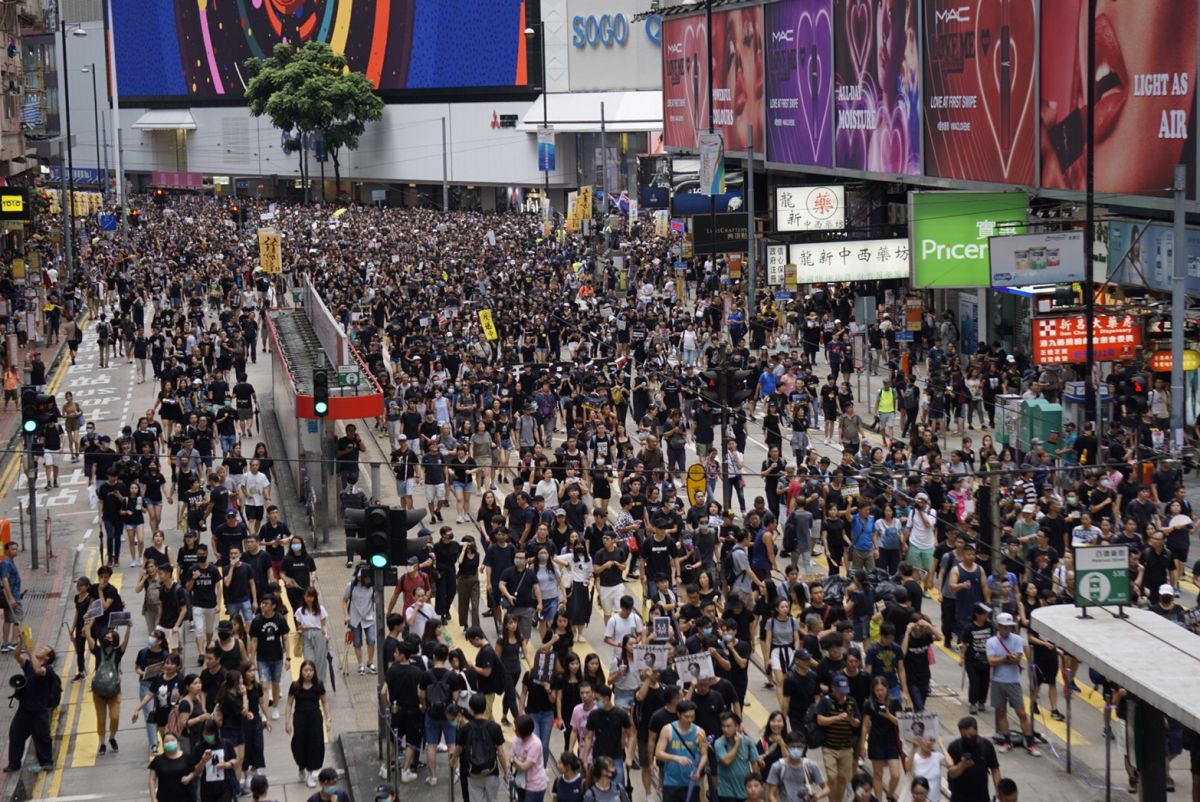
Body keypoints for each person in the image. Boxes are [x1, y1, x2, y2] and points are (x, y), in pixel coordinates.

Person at [985, 613, 1040, 755]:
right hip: (997, 681)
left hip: (1013, 682)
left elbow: (1017, 659)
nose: (1007, 630)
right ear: (999, 626)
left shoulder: (1017, 640)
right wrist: (1006, 658)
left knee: (1021, 713)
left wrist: (1002, 659)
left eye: (1009, 627)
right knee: (1001, 712)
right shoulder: (991, 641)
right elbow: (991, 661)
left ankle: (1030, 742)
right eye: (1004, 627)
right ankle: (1006, 740)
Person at [3, 640, 59, 773]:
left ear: (47, 657)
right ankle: (14, 763)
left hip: (39, 711)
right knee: (16, 735)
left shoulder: (48, 670)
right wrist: (22, 643)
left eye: (44, 648)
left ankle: (47, 762)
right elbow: (17, 657)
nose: (41, 648)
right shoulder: (28, 665)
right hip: (24, 710)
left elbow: (38, 671)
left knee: (42, 737)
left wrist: (31, 652)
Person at [86, 621, 132, 756]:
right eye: (106, 636)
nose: (107, 638)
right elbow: (89, 638)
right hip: (98, 692)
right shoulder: (97, 650)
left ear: (114, 641)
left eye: (110, 637)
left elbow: (125, 642)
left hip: (114, 692)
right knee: (101, 719)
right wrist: (88, 625)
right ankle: (102, 743)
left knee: (115, 717)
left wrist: (129, 628)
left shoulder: (118, 653)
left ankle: (112, 737)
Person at [455, 693, 508, 802]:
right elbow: (501, 753)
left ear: (471, 709)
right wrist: (506, 772)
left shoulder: (465, 729)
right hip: (491, 771)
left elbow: (458, 749)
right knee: (492, 799)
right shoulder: (494, 727)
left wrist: (452, 760)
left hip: (473, 773)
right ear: (485, 707)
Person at [286, 659, 330, 788]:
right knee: (298, 744)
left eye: (311, 670)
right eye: (306, 670)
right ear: (301, 671)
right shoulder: (295, 686)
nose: (308, 673)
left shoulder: (318, 685)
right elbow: (289, 704)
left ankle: (310, 774)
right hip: (300, 717)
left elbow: (325, 702)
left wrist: (328, 719)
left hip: (315, 717)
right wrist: (287, 722)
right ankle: (301, 765)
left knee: (314, 745)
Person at [249, 595, 291, 720]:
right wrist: (252, 660)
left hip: (277, 657)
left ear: (273, 606)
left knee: (276, 684)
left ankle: (276, 708)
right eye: (262, 603)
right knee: (264, 685)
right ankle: (265, 711)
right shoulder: (256, 621)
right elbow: (254, 641)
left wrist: (288, 658)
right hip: (262, 659)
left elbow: (285, 638)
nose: (263, 605)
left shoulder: (280, 619)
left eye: (266, 603)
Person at [946, 716, 1001, 802]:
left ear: (976, 730)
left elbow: (995, 769)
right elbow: (952, 774)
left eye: (971, 735)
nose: (968, 738)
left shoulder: (986, 745)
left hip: (981, 796)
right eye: (965, 736)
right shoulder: (954, 747)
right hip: (959, 797)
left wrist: (999, 791)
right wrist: (962, 765)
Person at [715, 711, 762, 802]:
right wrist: (737, 745)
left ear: (736, 726)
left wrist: (756, 786)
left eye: (729, 726)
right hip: (726, 791)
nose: (725, 729)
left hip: (744, 790)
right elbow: (726, 761)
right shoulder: (719, 743)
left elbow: (754, 764)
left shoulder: (747, 742)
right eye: (723, 726)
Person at [342, 567, 377, 675]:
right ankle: (360, 664)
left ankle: (370, 662)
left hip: (368, 617)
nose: (360, 578)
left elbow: (376, 600)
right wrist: (346, 615)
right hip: (355, 618)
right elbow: (344, 600)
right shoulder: (351, 586)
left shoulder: (372, 587)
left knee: (371, 640)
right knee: (357, 642)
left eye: (362, 576)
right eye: (359, 576)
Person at [511, 714, 549, 802]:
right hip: (520, 782)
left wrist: (516, 760)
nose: (514, 730)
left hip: (535, 785)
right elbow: (511, 757)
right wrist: (517, 762)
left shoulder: (535, 744)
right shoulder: (517, 739)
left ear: (522, 732)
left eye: (516, 729)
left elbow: (524, 766)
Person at [148, 732, 193, 802]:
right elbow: (152, 779)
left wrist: (189, 777)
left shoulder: (187, 757)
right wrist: (153, 798)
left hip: (185, 797)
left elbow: (196, 771)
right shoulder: (158, 760)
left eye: (172, 740)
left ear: (177, 742)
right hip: (164, 798)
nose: (169, 743)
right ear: (162, 744)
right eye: (166, 741)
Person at [0, 541, 22, 651]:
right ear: (7, 550)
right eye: (13, 549)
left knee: (8, 620)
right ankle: (14, 642)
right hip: (12, 596)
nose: (15, 551)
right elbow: (4, 580)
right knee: (18, 619)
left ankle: (5, 644)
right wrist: (11, 597)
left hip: (13, 594)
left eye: (16, 549)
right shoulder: (6, 563)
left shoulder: (9, 562)